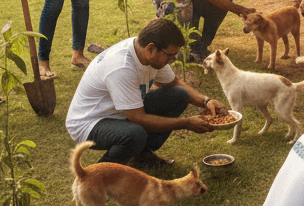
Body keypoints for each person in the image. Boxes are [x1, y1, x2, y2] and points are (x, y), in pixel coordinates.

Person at [65, 18, 228, 169]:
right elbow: (138, 118)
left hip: (120, 112)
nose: (173, 59)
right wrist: (186, 123)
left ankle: (141, 156)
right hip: (89, 122)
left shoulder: (144, 51)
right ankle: (96, 177)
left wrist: (206, 101)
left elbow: (173, 83)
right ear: (151, 49)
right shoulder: (121, 67)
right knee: (134, 134)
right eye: (171, 55)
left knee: (178, 95)